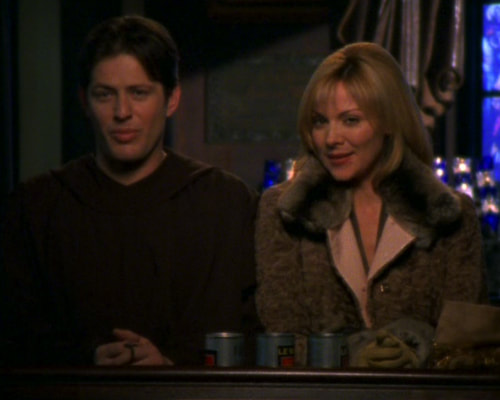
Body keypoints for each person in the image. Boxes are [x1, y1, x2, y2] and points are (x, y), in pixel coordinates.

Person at [0, 15, 258, 367]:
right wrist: (87, 357)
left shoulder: (224, 201)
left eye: (139, 93)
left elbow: (248, 334)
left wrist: (170, 365)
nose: (122, 112)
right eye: (105, 94)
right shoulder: (36, 206)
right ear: (85, 101)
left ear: (171, 99)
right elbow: (14, 336)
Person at [255, 42, 487, 367]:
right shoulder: (283, 211)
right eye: (320, 121)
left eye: (350, 120)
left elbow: (467, 348)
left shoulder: (449, 214)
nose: (331, 138)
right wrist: (352, 356)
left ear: (390, 122)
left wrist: (415, 351)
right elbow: (281, 341)